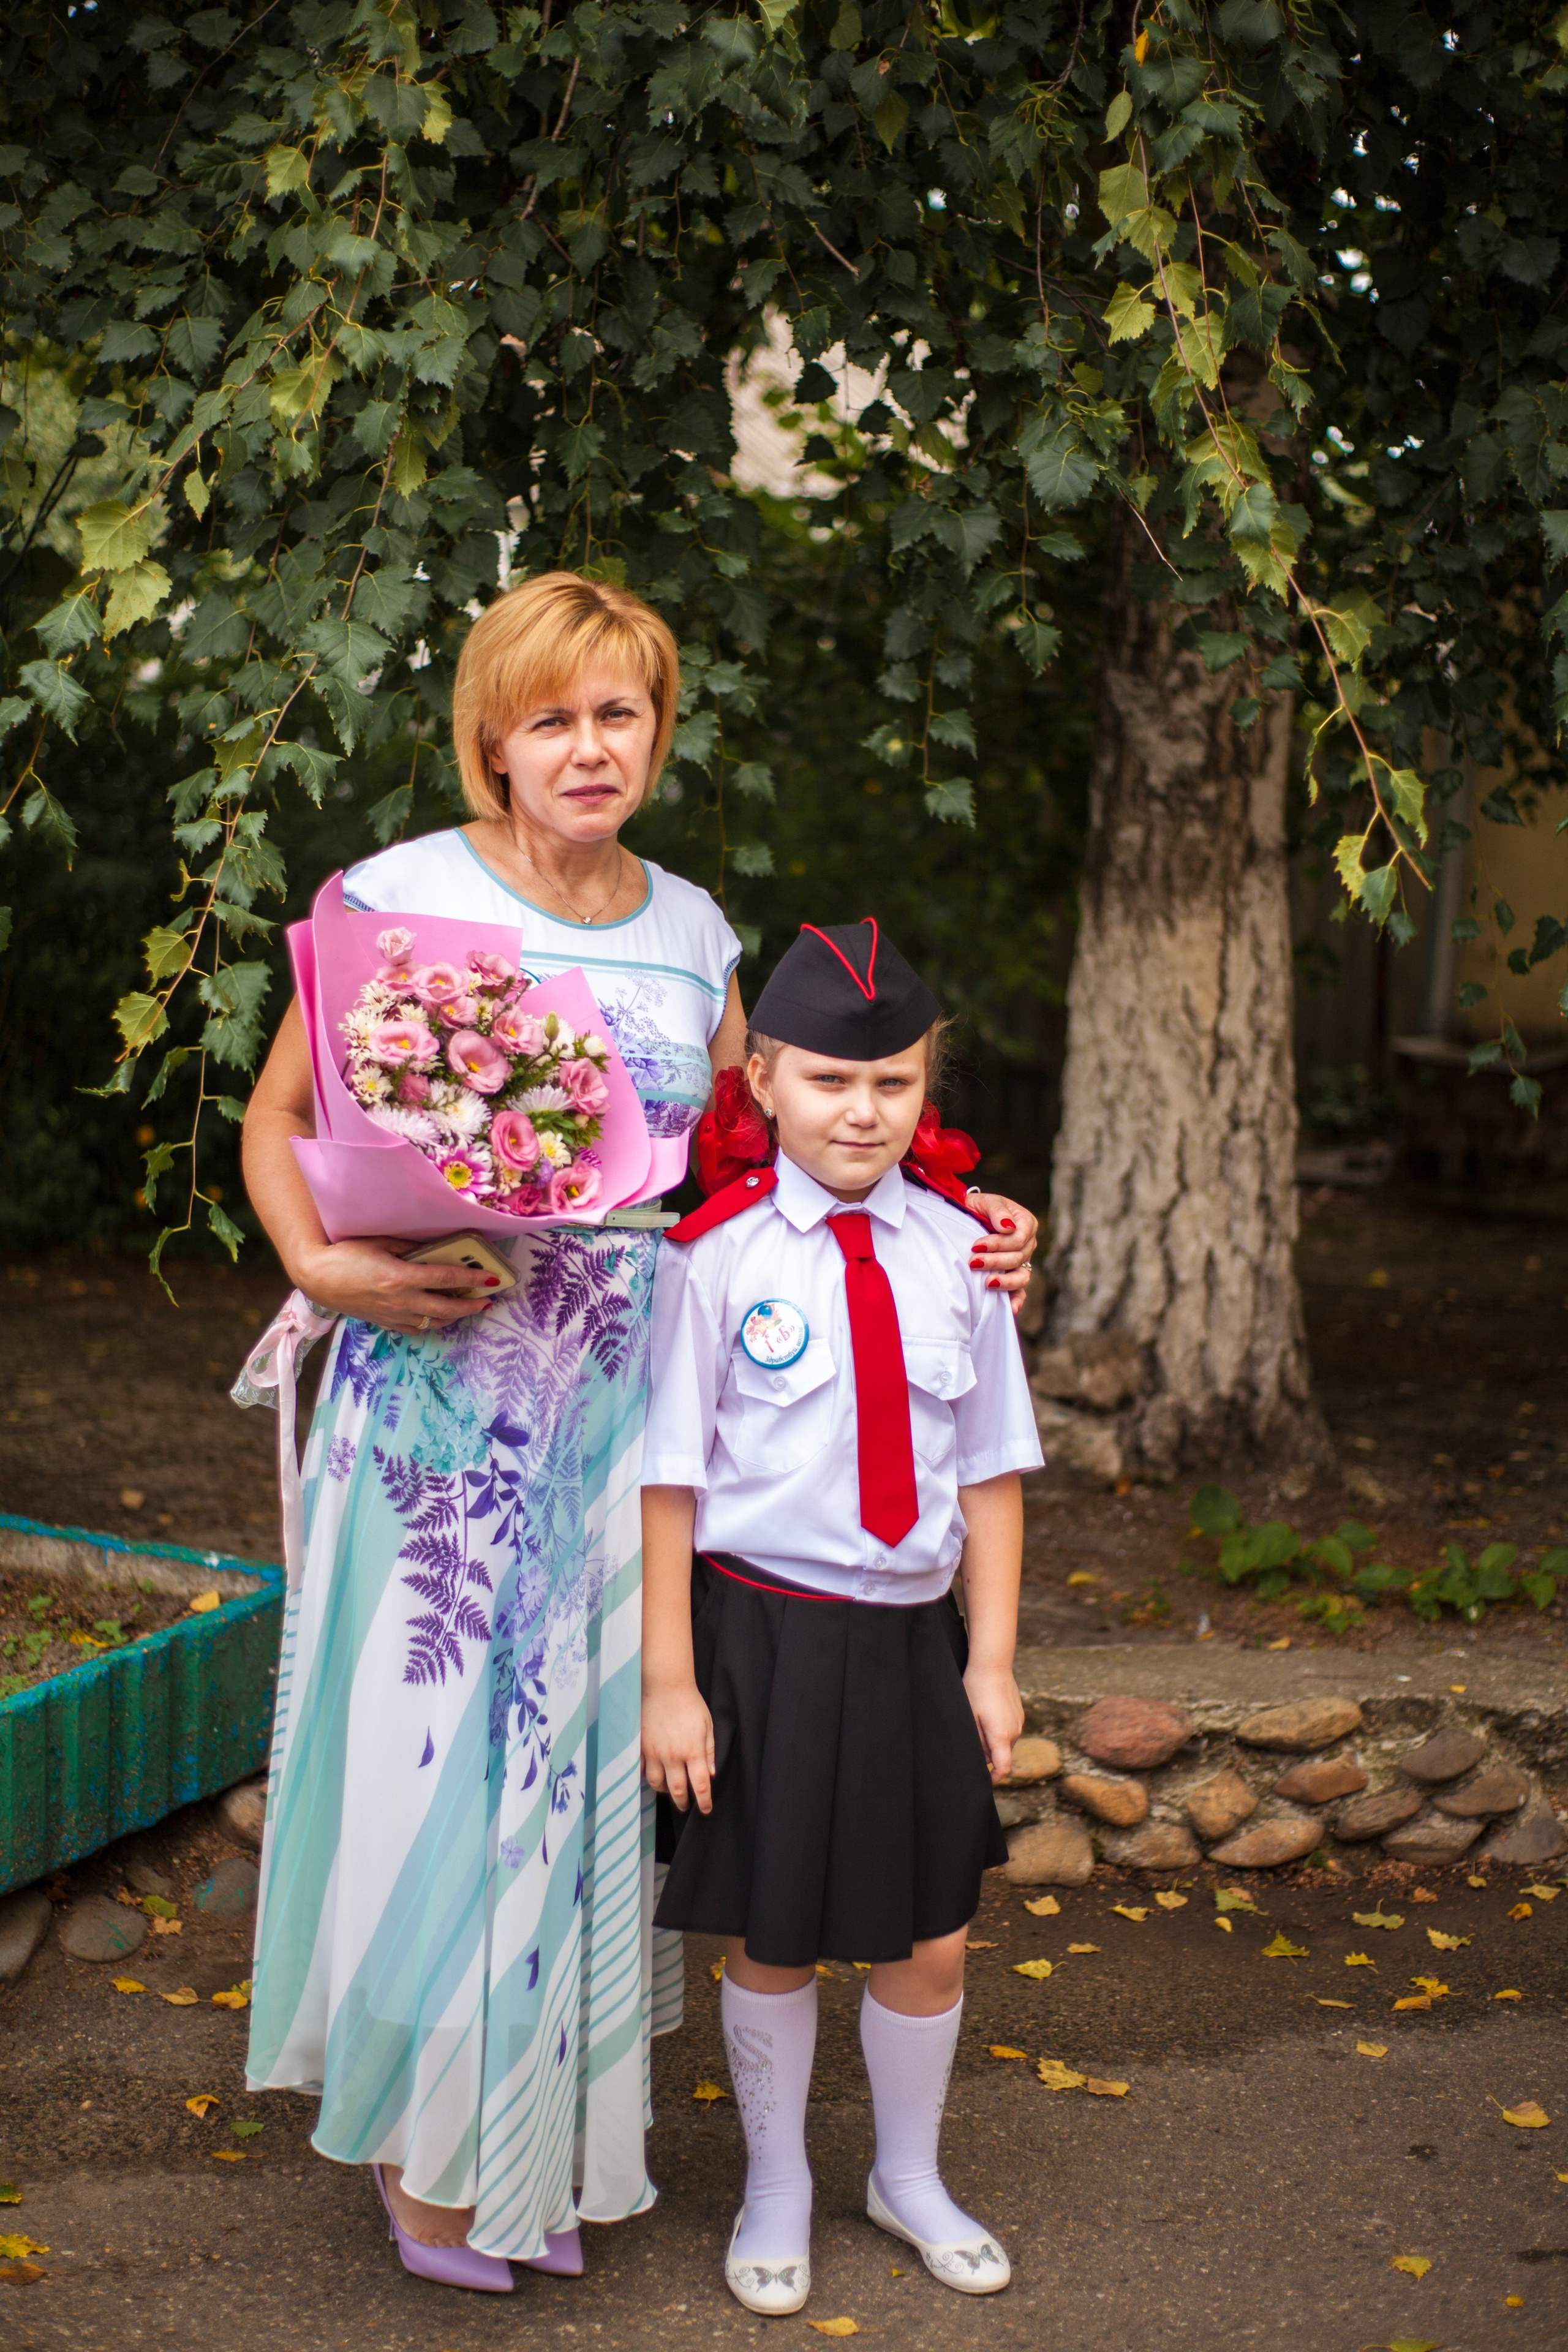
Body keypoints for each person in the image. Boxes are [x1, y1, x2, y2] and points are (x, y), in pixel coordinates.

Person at [239, 571, 1040, 2293]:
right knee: (440, 1780)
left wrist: (976, 1218)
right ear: (494, 738)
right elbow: (285, 1117)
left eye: (623, 714)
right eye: (554, 717)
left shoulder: (693, 931)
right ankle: (426, 2160)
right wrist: (324, 1262)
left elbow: (770, 1162)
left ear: (657, 733)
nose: (591, 747)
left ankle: (540, 2160)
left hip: (635, 1422)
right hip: (442, 1411)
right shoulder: (397, 897)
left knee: (583, 1799)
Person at [639, 918, 1043, 2318]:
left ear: (926, 1091)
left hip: (911, 1637)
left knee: (930, 1937)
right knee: (773, 1931)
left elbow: (989, 1471)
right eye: (827, 1081)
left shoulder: (963, 1257)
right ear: (759, 1080)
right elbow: (670, 1483)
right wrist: (669, 1683)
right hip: (764, 1635)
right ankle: (775, 2184)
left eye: (892, 1085)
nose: (860, 1111)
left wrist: (988, 1662)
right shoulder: (712, 1259)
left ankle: (906, 2176)